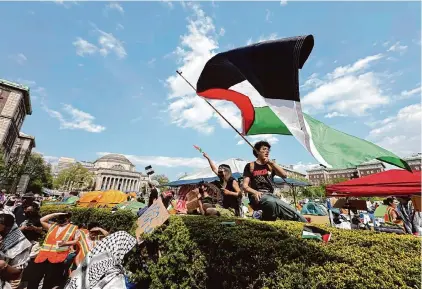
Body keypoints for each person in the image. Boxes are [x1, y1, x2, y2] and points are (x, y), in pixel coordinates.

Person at [242, 141, 307, 222]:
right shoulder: (250, 166)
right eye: (264, 149)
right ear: (257, 151)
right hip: (257, 196)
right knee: (271, 202)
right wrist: (255, 192)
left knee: (293, 213)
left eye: (268, 150)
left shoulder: (270, 166)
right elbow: (245, 186)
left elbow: (284, 175)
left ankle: (306, 225)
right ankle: (261, 216)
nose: (267, 151)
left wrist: (271, 163)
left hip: (271, 195)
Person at [28, 212, 78, 289]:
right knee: (34, 278)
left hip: (58, 257)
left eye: (63, 217)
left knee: (49, 281)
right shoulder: (53, 226)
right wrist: (55, 213)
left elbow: (76, 240)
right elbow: (42, 220)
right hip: (42, 257)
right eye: (59, 217)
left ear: (68, 219)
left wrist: (66, 243)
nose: (60, 219)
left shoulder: (74, 228)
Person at [0, 210, 32, 289]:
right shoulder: (2, 238)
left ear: (5, 226)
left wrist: (4, 266)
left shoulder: (20, 246)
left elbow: (17, 273)